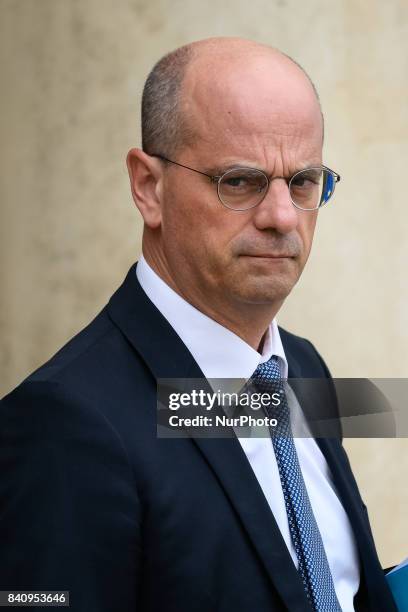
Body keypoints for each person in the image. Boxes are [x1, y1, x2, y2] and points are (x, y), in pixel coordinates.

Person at [0, 37, 396, 612]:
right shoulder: (62, 421)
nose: (281, 216)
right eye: (239, 181)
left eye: (304, 182)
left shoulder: (302, 367)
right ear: (147, 187)